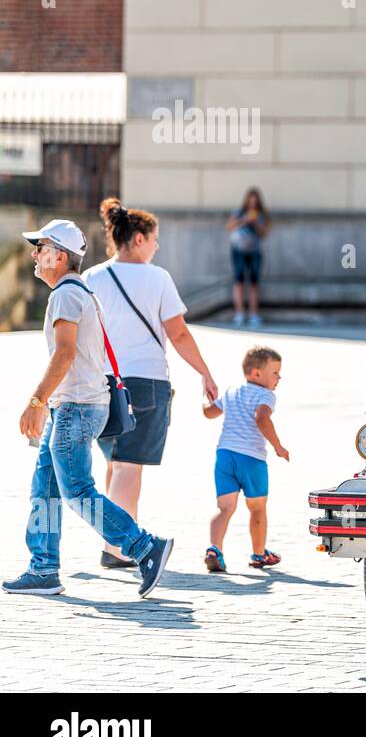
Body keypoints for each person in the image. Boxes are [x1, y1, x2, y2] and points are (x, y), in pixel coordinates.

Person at [4, 219, 173, 598]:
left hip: (74, 409)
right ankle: (43, 568)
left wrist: (36, 401)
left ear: (59, 256)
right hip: (75, 406)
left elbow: (65, 353)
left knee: (78, 490)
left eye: (41, 247)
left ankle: (144, 548)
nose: (34, 254)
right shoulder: (81, 290)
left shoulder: (65, 294)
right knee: (44, 487)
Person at [84, 198, 220, 569]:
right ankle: (118, 548)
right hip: (144, 383)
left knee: (114, 464)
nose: (157, 246)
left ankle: (113, 542)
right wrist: (205, 372)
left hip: (100, 382)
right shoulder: (158, 278)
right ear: (139, 238)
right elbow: (178, 334)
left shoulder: (92, 277)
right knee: (129, 466)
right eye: (155, 239)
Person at [202, 346, 289, 572]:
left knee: (224, 508)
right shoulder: (266, 395)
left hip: (224, 456)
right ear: (257, 374)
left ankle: (214, 549)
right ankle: (259, 555)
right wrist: (278, 446)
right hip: (251, 459)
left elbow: (209, 412)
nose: (279, 378)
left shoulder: (232, 391)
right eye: (275, 373)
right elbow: (261, 417)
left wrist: (206, 396)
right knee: (257, 508)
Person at [226, 187, 270, 328]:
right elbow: (229, 226)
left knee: (254, 283)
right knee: (238, 281)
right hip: (238, 249)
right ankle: (239, 313)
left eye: (255, 202)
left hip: (255, 250)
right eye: (250, 201)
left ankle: (253, 314)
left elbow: (263, 234)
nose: (252, 204)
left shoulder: (261, 215)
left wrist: (256, 222)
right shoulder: (239, 213)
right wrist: (244, 220)